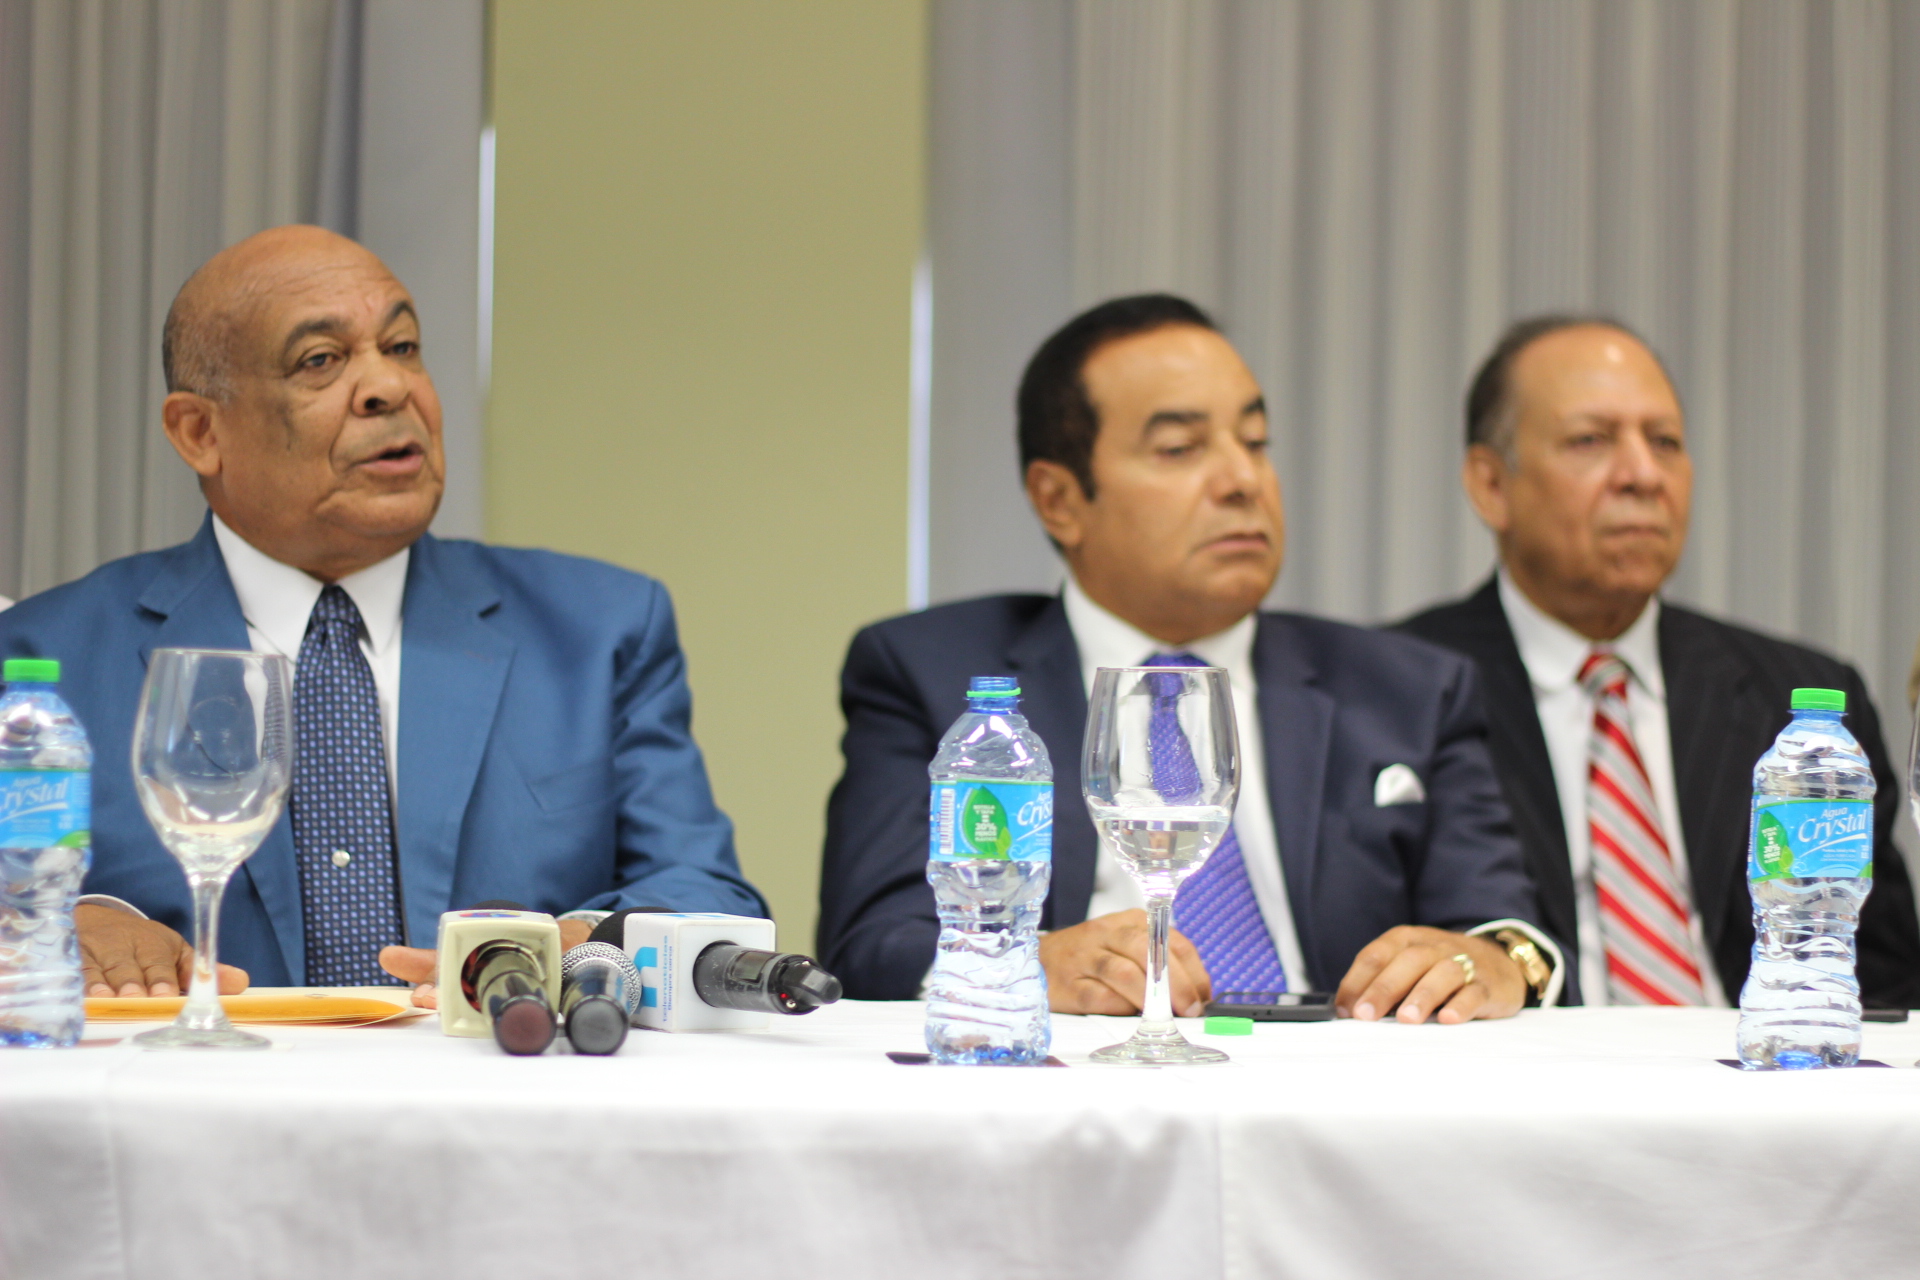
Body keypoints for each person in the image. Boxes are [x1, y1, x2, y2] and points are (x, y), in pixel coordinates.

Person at [0, 225, 764, 999]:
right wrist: (53, 923)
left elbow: (710, 897)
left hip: (502, 1069)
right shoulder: (41, 659)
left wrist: (583, 944)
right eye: (320, 361)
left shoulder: (597, 631)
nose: (389, 388)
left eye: (402, 347)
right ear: (200, 432)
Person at [819, 295, 1562, 1024]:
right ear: (1059, 500)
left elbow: (1502, 925)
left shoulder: (1409, 687)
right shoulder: (931, 676)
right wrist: (1025, 962)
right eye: (1179, 449)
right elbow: (873, 944)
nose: (1243, 481)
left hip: (1338, 1070)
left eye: (1256, 441)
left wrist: (1498, 960)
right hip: (1074, 1074)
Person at [1399, 315, 1920, 1006]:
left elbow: (1884, 988)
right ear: (1491, 484)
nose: (1643, 475)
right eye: (1591, 440)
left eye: (1665, 442)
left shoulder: (1800, 698)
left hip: (1768, 1061)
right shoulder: (1398, 691)